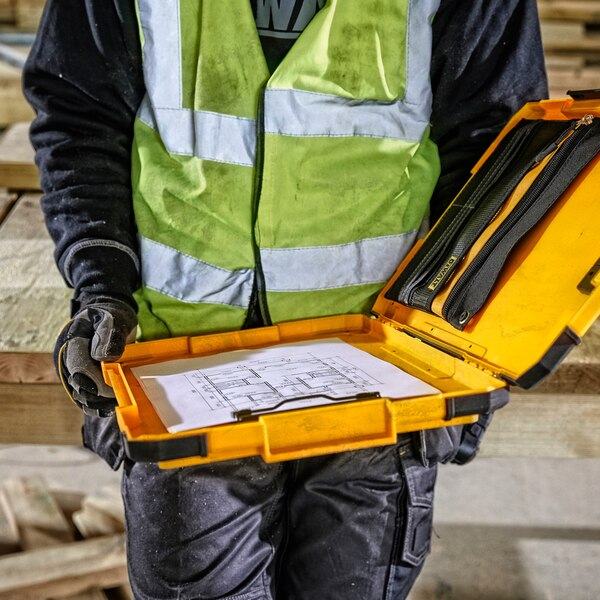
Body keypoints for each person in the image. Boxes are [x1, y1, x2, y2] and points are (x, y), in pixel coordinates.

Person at [23, 1, 547, 598]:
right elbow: (82, 115)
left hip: (380, 379)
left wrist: (469, 342)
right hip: (183, 371)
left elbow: (496, 147)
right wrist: (101, 280)